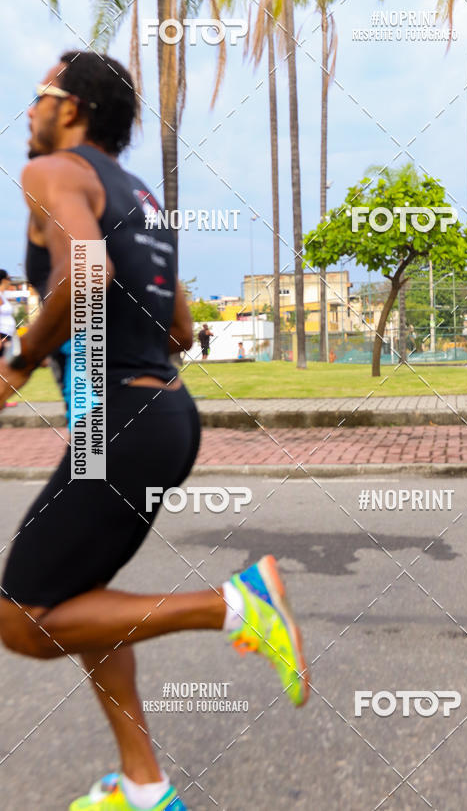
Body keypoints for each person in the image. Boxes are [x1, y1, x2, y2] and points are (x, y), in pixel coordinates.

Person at [0, 52, 309, 811]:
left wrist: (20, 360)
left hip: (122, 425)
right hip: (165, 415)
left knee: (23, 620)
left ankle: (235, 605)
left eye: (39, 96)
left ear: (69, 109)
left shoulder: (52, 174)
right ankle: (145, 785)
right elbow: (183, 328)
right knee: (84, 599)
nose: (29, 112)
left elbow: (88, 275)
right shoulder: (141, 195)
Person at [0, 269, 16, 358]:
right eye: (9, 278)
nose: (10, 281)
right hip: (2, 335)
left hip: (8, 334)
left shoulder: (3, 296)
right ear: (3, 280)